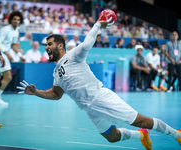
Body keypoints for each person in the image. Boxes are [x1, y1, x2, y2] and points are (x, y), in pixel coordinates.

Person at [17, 17, 181, 149]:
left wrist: (97, 24)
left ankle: (177, 135)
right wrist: (36, 91)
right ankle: (141, 135)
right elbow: (55, 94)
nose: (46, 47)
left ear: (60, 46)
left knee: (141, 120)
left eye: (49, 44)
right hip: (90, 109)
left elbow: (88, 43)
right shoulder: (56, 71)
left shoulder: (73, 55)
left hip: (101, 98)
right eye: (46, 45)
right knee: (112, 137)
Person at [0, 11, 25, 105]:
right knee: (8, 76)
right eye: (14, 19)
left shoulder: (16, 31)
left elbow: (13, 45)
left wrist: (20, 56)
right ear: (11, 20)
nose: (16, 21)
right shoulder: (5, 29)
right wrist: (7, 54)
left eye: (18, 19)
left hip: (3, 55)